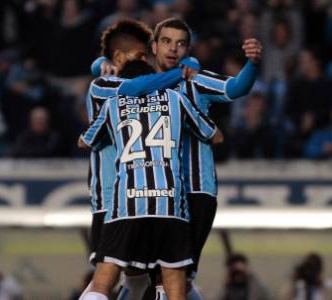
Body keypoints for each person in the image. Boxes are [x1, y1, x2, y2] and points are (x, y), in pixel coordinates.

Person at [92, 17, 261, 300]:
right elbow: (113, 79)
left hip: (195, 191)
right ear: (154, 47)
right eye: (167, 42)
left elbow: (237, 88)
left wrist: (253, 64)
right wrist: (101, 65)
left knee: (170, 278)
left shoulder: (197, 81)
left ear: (188, 49)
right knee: (147, 277)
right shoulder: (139, 83)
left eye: (181, 44)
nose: (173, 49)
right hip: (154, 193)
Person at [82, 19, 204, 300]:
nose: (147, 60)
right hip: (112, 199)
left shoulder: (122, 88)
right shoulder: (109, 85)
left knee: (138, 281)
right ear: (119, 58)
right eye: (141, 55)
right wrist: (184, 71)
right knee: (108, 279)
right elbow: (136, 87)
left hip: (132, 199)